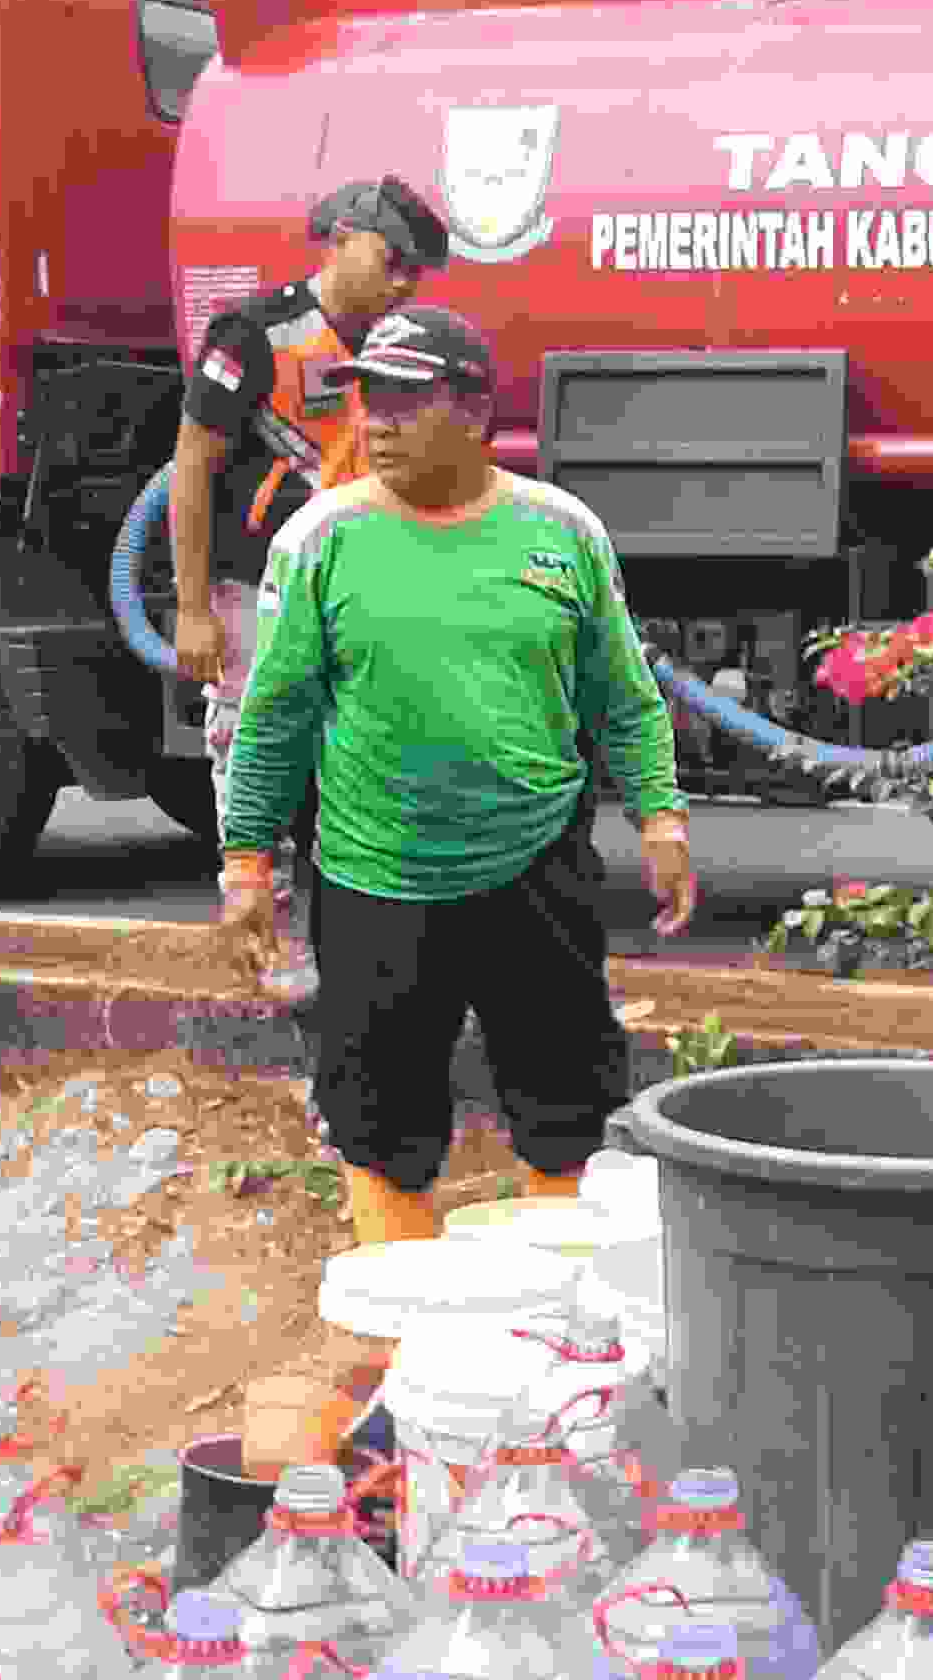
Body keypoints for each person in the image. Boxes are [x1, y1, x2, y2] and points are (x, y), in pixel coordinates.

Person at [212, 303, 702, 1250]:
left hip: (537, 871)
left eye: (405, 401)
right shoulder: (321, 539)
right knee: (380, 1120)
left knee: (565, 1102)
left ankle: (558, 1306)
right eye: (367, 402)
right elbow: (274, 717)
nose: (376, 424)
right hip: (374, 878)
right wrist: (248, 862)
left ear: (475, 413)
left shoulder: (562, 531)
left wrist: (661, 817)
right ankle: (402, 1316)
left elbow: (624, 696)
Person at [171, 174, 455, 1024]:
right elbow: (192, 467)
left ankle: (362, 939)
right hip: (255, 590)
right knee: (256, 754)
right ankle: (262, 930)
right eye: (393, 263)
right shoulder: (253, 335)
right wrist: (190, 608)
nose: (404, 285)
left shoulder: (399, 348)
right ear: (341, 242)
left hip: (358, 591)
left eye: (416, 275)